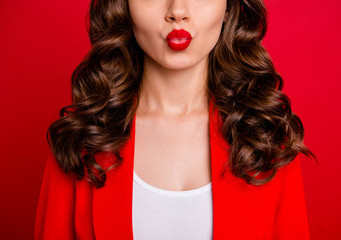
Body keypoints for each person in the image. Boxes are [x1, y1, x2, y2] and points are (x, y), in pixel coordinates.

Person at [34, 0, 316, 239]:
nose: (177, 11)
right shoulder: (81, 139)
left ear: (230, 7)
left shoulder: (266, 138)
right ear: (122, 6)